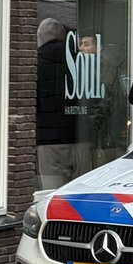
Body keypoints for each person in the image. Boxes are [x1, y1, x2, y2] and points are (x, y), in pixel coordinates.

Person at [35, 18, 91, 190]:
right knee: (79, 195)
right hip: (79, 137)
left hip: (49, 140)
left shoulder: (37, 63)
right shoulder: (81, 61)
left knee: (51, 194)